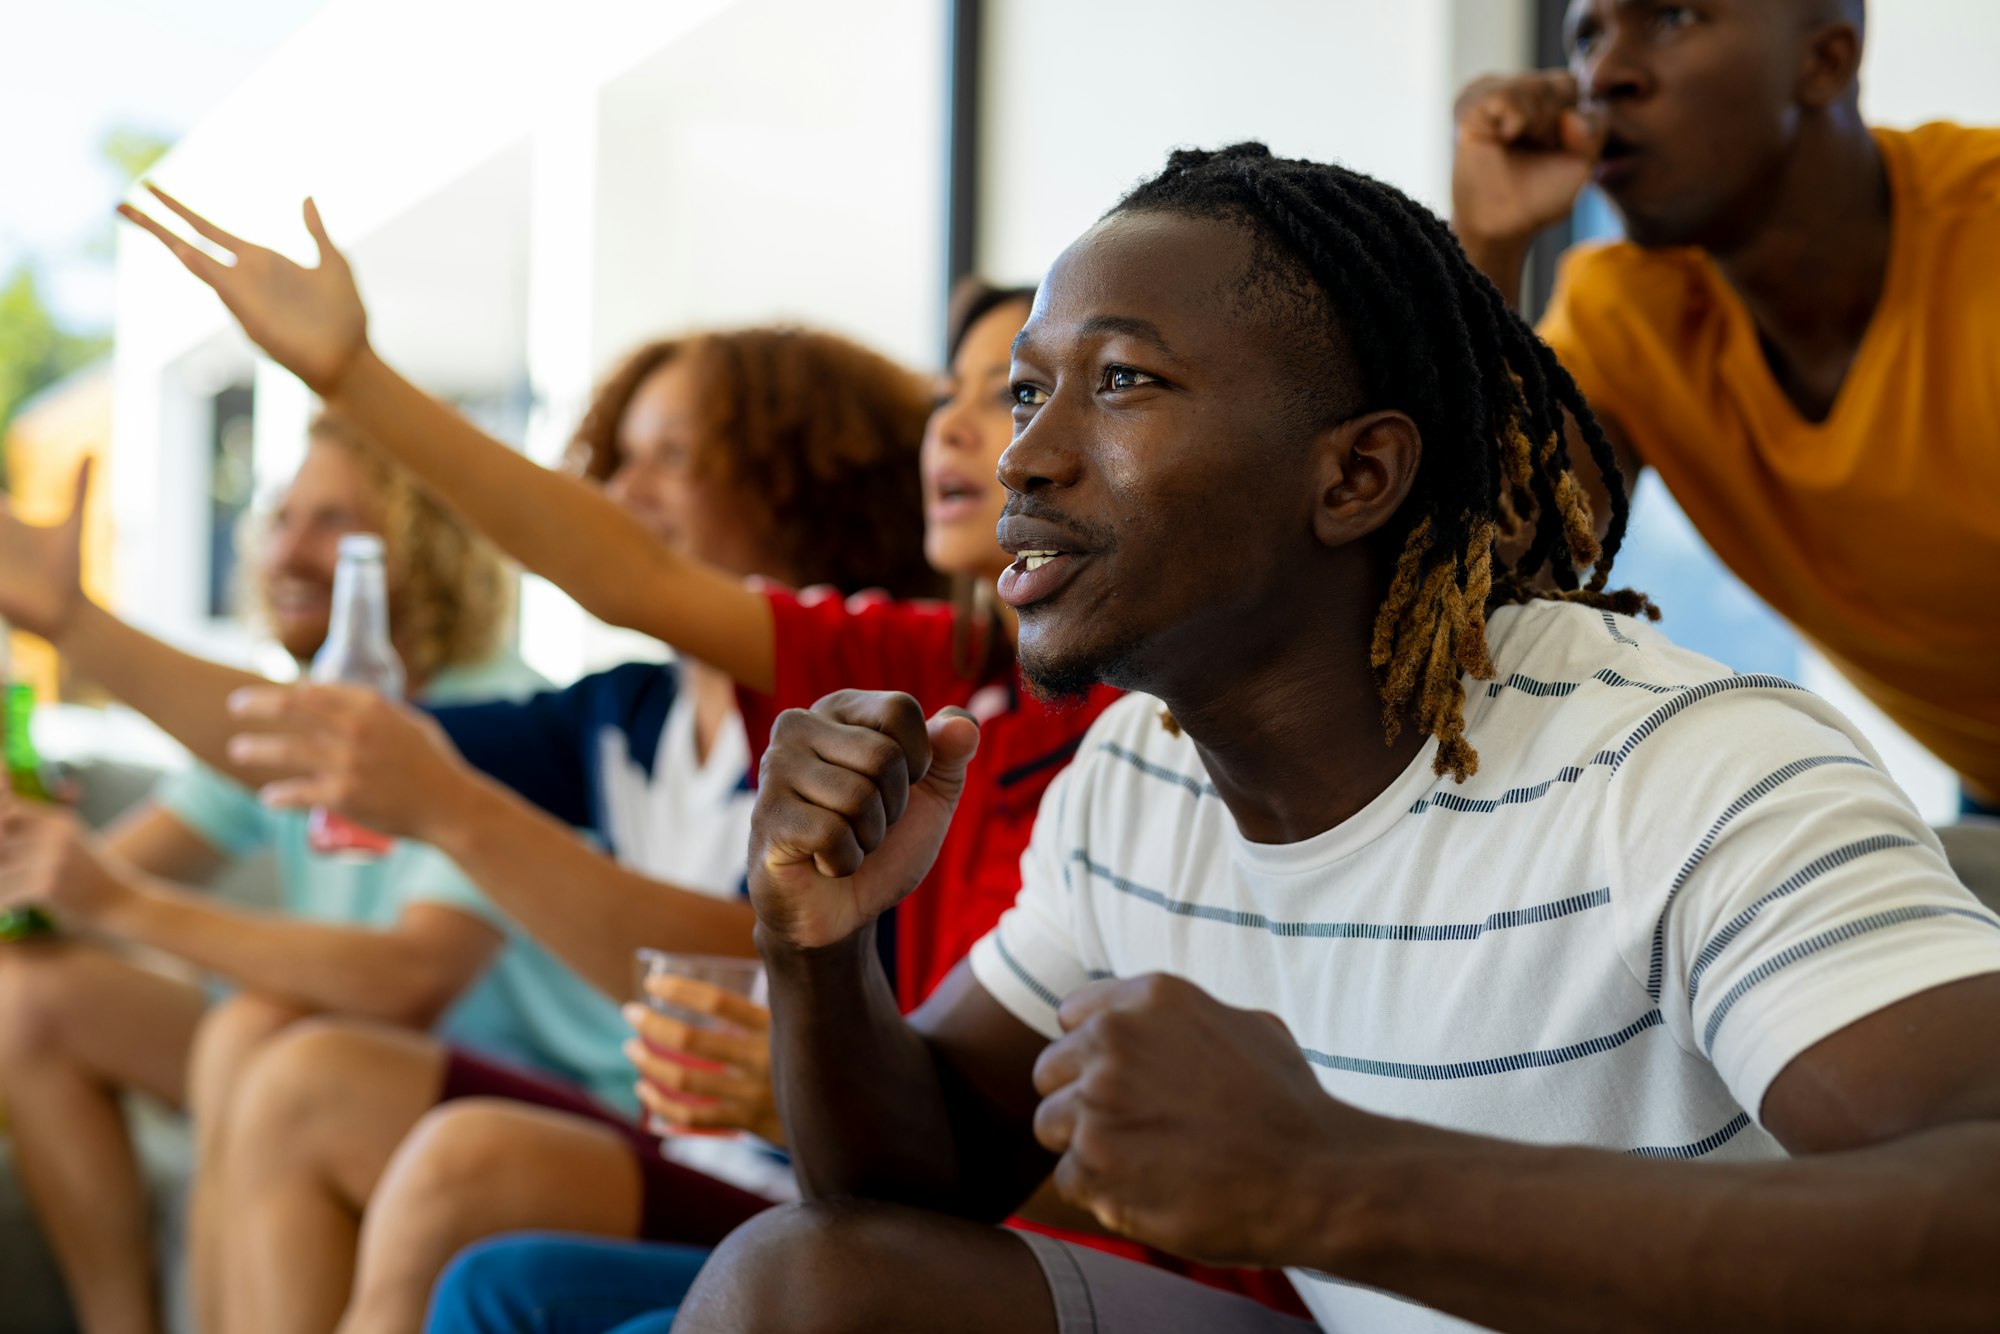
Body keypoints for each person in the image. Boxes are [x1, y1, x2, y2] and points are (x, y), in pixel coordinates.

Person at [649, 143, 2000, 1333]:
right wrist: (812, 945)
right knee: (806, 1284)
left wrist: (1337, 1176)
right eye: (1025, 394)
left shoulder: (1685, 768)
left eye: (1121, 382)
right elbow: (906, 1187)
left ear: (1354, 476)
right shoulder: (1138, 775)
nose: (1025, 458)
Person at [187, 326, 941, 1334]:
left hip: (800, 1183)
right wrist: (70, 621)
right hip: (678, 1146)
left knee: (461, 1165)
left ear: (796, 479)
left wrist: (454, 810)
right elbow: (292, 736)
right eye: (619, 459)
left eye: (670, 458)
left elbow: (737, 960)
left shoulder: (867, 722)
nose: (623, 494)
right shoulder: (629, 710)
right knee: (305, 1078)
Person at [0, 415, 545, 1334]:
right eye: (281, 518)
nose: (287, 550)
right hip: (313, 1053)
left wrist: (120, 903)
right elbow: (72, 897)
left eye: (332, 522)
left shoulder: (511, 723)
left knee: (259, 1026)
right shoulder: (299, 712)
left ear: (423, 552)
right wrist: (34, 857)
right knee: (30, 997)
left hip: (506, 1089)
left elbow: (406, 979)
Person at [1449, 0, 2000, 815]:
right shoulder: (1628, 316)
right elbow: (1484, 591)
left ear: (1826, 61)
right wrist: (1482, 256)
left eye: (1672, 17)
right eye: (1588, 37)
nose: (1605, 74)